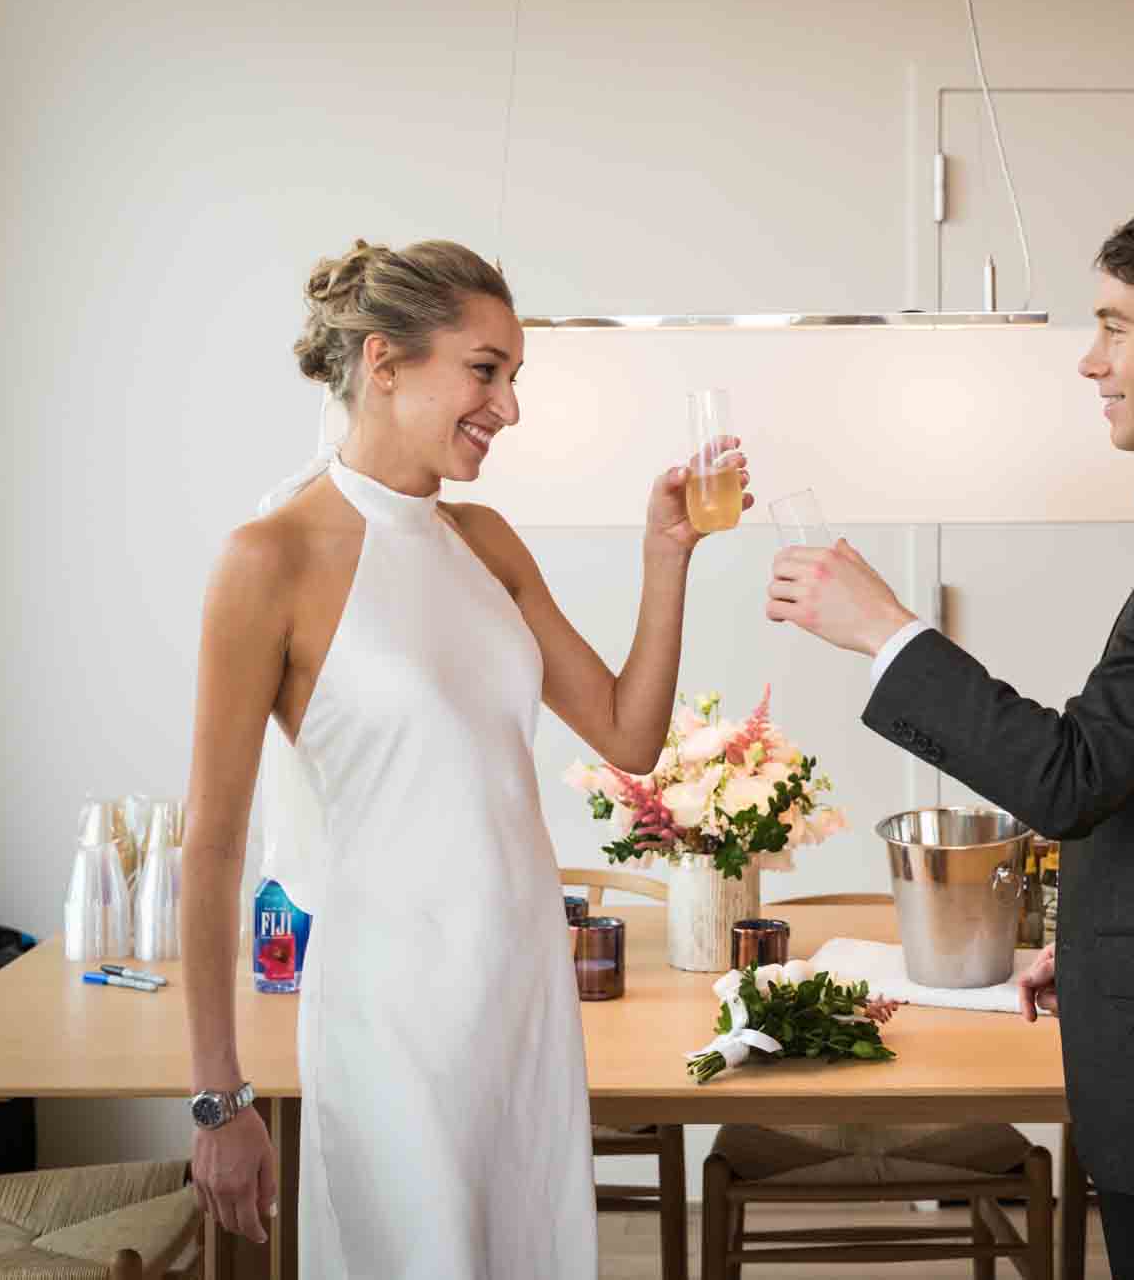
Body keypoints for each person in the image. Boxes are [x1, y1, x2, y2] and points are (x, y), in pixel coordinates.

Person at [767, 198, 1134, 1279]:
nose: (1088, 362)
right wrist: (1097, 940)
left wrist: (884, 630)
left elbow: (1074, 772)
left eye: (1113, 325)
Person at [178, 238, 751, 1277]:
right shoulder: (270, 559)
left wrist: (666, 555)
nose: (509, 406)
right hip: (390, 1013)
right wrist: (219, 1096)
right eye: (486, 371)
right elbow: (210, 845)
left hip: (524, 997)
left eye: (512, 377)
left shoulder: (485, 542)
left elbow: (627, 732)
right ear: (386, 361)